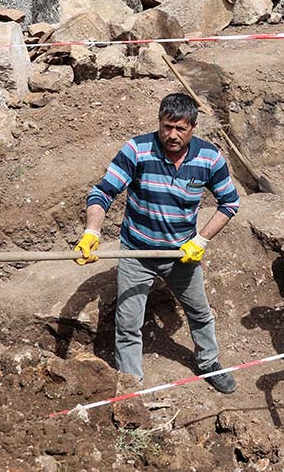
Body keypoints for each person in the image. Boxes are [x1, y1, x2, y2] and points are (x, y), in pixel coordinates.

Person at [73, 93, 241, 393]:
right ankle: (130, 386)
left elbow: (229, 203)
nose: (172, 135)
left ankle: (209, 362)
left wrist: (200, 240)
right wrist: (92, 232)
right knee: (127, 324)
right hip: (138, 252)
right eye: (166, 127)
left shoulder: (209, 158)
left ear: (194, 127)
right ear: (159, 123)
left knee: (200, 314)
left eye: (180, 129)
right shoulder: (138, 150)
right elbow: (102, 193)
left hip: (182, 254)